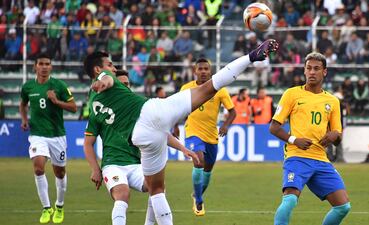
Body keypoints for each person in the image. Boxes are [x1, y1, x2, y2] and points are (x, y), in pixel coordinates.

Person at [83, 39, 278, 225]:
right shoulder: (103, 78)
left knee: (156, 189)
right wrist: (103, 81)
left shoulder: (92, 105)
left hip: (141, 137)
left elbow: (106, 87)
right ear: (98, 69)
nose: (114, 68)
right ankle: (251, 56)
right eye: (109, 65)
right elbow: (107, 79)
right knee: (210, 88)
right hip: (151, 112)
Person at [269, 52, 351, 225]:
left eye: (316, 68)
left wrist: (334, 135)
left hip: (321, 159)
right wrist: (294, 140)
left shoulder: (333, 101)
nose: (312, 72)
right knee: (289, 201)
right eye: (309, 68)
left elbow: (338, 136)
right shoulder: (291, 94)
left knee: (343, 207)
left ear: (325, 72)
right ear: (304, 71)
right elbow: (274, 127)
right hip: (297, 157)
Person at [83, 69, 155, 225]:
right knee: (122, 194)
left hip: (136, 164)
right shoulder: (100, 110)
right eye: (121, 84)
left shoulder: (137, 107)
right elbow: (88, 143)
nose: (124, 87)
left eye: (127, 84)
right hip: (113, 164)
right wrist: (95, 169)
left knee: (157, 186)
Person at [19, 53, 77, 224]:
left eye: (47, 63)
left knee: (59, 172)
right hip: (37, 135)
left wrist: (56, 101)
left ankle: (59, 205)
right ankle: (46, 208)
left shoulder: (58, 85)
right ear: (35, 67)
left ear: (51, 67)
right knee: (38, 168)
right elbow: (22, 104)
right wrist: (24, 120)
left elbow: (73, 107)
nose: (44, 66)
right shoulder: (28, 87)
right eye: (41, 63)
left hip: (57, 135)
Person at [178, 58, 236, 216]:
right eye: (200, 69)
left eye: (206, 69)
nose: (203, 71)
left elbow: (233, 112)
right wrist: (175, 125)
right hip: (192, 132)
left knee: (208, 171)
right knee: (199, 162)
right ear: (194, 71)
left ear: (210, 71)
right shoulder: (186, 88)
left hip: (211, 135)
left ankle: (196, 194)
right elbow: (176, 109)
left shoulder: (219, 89)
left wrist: (225, 125)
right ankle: (198, 200)